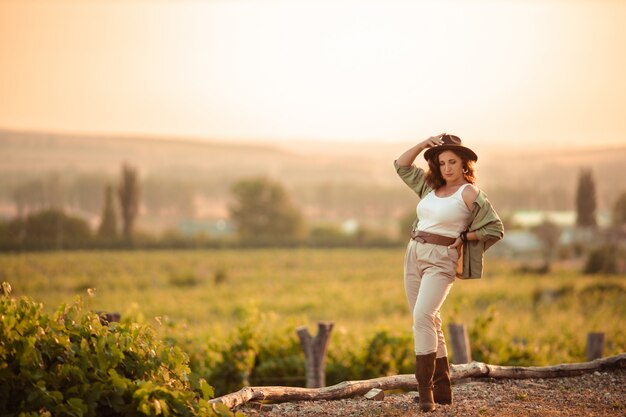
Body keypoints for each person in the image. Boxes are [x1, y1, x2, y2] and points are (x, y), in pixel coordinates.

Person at [394, 133, 504, 412]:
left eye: (453, 162)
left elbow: (495, 228)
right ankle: (443, 389)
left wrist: (466, 238)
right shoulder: (430, 187)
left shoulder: (469, 193)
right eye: (442, 162)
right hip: (414, 252)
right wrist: (421, 145)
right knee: (431, 320)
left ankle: (425, 391)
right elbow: (401, 166)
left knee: (423, 316)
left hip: (442, 258)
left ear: (465, 163)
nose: (447, 168)